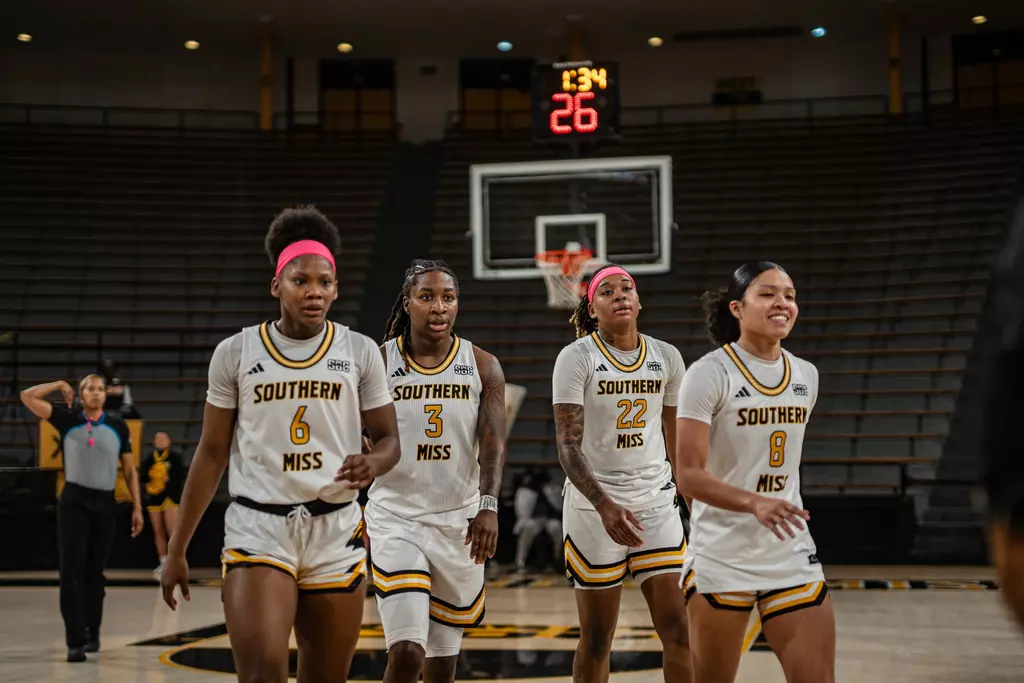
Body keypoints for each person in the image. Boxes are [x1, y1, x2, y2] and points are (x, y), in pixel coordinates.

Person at [160, 206, 401, 683]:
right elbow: (211, 454)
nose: (315, 291)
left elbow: (390, 440)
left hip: (335, 530)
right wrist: (177, 548)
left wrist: (372, 462)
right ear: (277, 285)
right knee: (262, 674)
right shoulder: (236, 352)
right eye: (300, 280)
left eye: (325, 282)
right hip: (259, 527)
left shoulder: (358, 351)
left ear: (335, 287)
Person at [675, 261, 834, 683]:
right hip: (722, 554)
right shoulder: (708, 374)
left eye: (790, 294)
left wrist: (768, 503)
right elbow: (688, 475)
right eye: (767, 293)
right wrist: (752, 502)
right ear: (737, 308)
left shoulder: (806, 375)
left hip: (790, 551)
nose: (782, 302)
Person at [366, 259, 507, 683]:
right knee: (408, 653)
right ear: (407, 303)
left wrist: (489, 507)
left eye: (448, 297)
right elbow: (344, 427)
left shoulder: (483, 365)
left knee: (443, 667)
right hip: (396, 519)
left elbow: (494, 445)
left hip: (459, 523)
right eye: (426, 296)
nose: (439, 307)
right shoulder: (376, 362)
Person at [552, 263, 692, 683]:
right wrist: (605, 505)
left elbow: (677, 437)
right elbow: (567, 444)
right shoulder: (577, 357)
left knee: (679, 631)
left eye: (626, 288)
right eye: (607, 291)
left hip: (654, 502)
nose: (620, 295)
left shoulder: (667, 356)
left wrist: (694, 503)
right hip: (594, 508)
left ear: (639, 300)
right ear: (592, 309)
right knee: (597, 637)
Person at [20, 374, 144, 662]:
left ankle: (93, 632)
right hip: (74, 502)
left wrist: (137, 506)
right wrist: (56, 385)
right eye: (90, 389)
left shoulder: (117, 425)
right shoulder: (67, 418)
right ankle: (74, 641)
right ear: (80, 393)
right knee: (71, 572)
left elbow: (129, 469)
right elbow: (27, 396)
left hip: (105, 502)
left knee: (95, 574)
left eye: (101, 389)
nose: (97, 393)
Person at [139, 431, 184, 578]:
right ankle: (163, 561)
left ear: (169, 441)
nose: (161, 441)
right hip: (154, 498)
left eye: (164, 438)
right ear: (154, 442)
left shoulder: (175, 457)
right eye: (158, 438)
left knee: (172, 530)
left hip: (170, 497)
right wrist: (153, 477)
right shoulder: (149, 459)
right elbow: (142, 476)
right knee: (158, 530)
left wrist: (166, 479)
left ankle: (176, 561)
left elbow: (180, 476)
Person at [512, 468, 563, 572]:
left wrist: (544, 495)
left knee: (556, 527)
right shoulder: (524, 492)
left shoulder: (553, 489)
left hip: (549, 519)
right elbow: (522, 513)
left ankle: (558, 560)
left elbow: (558, 509)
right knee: (528, 527)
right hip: (533, 520)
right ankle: (520, 561)